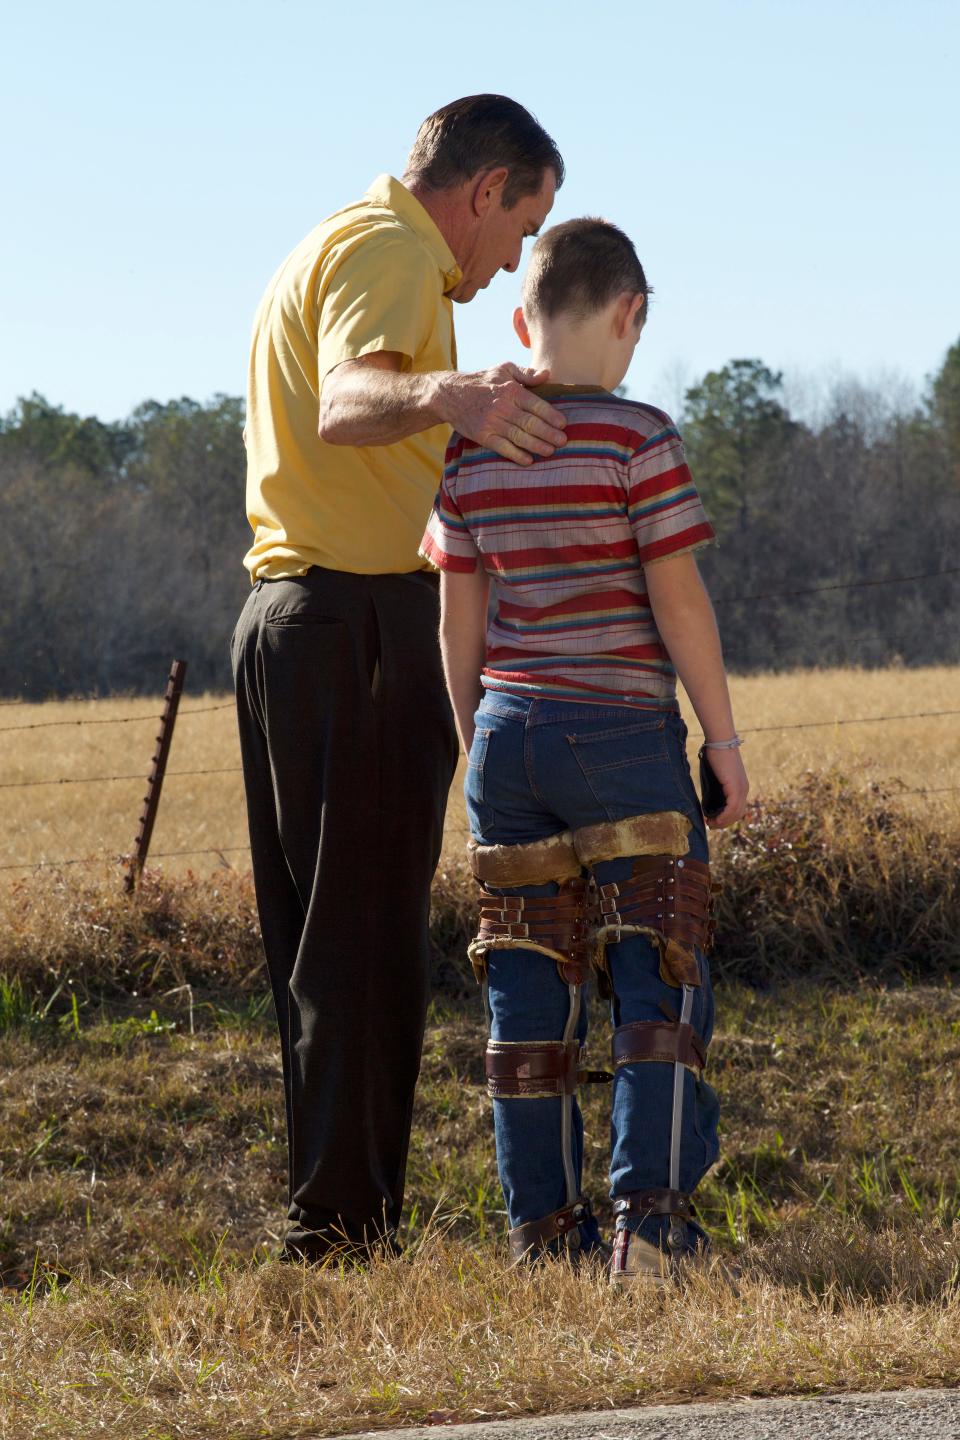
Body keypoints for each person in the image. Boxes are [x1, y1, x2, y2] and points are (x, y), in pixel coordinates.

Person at [231, 96, 567, 1263]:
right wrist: (448, 393)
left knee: (322, 950)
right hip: (359, 626)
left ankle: (328, 1222)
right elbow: (347, 402)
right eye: (522, 226)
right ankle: (345, 1235)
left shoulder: (337, 238)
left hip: (297, 618)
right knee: (365, 948)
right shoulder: (392, 254)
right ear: (486, 192)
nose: (514, 258)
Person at [420, 218, 750, 1282]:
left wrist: (480, 743)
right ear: (630, 314)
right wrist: (724, 739)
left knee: (528, 986)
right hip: (622, 733)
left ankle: (543, 1238)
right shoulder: (637, 438)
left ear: (523, 321)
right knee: (661, 966)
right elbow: (680, 598)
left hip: (509, 737)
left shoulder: (472, 446)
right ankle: (648, 1231)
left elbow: (455, 619)